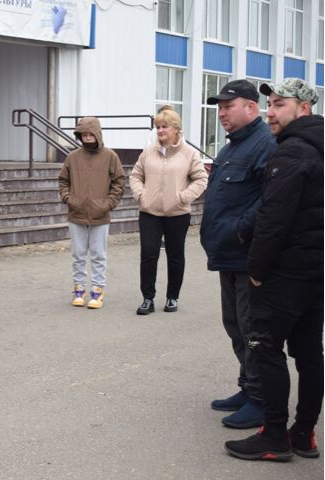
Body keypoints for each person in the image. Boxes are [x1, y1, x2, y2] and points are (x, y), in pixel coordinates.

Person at [225, 78, 323, 462]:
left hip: (285, 275)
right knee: (310, 355)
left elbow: (272, 220)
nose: (270, 112)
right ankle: (304, 435)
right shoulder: (318, 149)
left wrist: (256, 272)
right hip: (315, 272)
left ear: (303, 109)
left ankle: (275, 436)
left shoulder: (292, 153)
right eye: (269, 104)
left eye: (279, 104)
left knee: (265, 350)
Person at [199, 79, 277, 429]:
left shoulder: (266, 144)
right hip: (227, 255)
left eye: (228, 107)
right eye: (219, 108)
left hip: (247, 255)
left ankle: (261, 400)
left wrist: (240, 229)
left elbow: (269, 200)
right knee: (234, 325)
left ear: (251, 108)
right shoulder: (231, 148)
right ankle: (247, 387)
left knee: (252, 329)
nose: (221, 114)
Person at [131, 108, 207, 315]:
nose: (160, 130)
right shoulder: (149, 152)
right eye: (157, 127)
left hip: (177, 214)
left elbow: (201, 179)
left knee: (175, 256)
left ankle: (172, 297)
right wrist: (141, 194)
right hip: (149, 213)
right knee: (148, 254)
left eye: (164, 127)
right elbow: (135, 175)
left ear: (176, 129)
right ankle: (148, 298)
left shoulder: (189, 153)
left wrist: (183, 197)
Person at [58, 117, 126, 309]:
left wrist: (108, 204)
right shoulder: (72, 157)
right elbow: (63, 181)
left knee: (98, 254)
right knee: (78, 254)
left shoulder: (110, 156)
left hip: (100, 215)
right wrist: (68, 199)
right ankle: (78, 289)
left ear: (97, 134)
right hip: (76, 213)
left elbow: (119, 183)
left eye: (90, 134)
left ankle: (97, 290)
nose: (87, 138)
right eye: (83, 134)